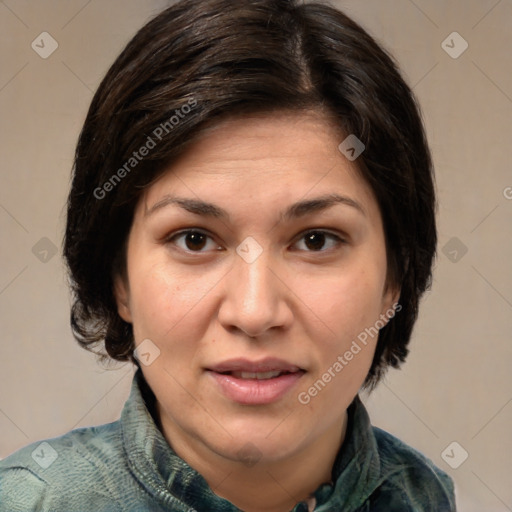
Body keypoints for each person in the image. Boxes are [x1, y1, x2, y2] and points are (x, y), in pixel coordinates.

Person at [0, 0, 456, 510]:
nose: (255, 312)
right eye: (194, 239)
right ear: (119, 279)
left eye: (316, 240)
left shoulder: (424, 495)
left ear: (394, 279)